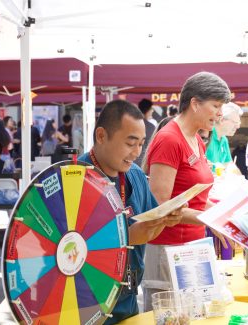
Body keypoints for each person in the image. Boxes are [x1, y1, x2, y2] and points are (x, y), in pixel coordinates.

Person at [78, 99, 183, 324]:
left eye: (141, 143)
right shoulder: (73, 179)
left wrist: (164, 220)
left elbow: (150, 228)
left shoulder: (134, 175)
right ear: (101, 136)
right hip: (85, 305)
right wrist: (129, 237)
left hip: (128, 300)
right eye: (130, 143)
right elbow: (68, 249)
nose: (137, 152)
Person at [142, 71, 231, 311]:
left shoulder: (196, 140)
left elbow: (198, 200)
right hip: (167, 250)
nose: (220, 113)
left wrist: (226, 214)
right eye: (216, 105)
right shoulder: (170, 139)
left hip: (191, 249)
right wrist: (211, 219)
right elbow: (161, 207)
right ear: (195, 103)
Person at [206, 102, 242, 168]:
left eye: (238, 123)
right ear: (222, 120)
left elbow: (229, 165)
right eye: (235, 123)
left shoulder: (224, 139)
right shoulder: (205, 136)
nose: (238, 127)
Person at [135, 98, 156, 167]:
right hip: (143, 164)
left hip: (131, 161)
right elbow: (152, 147)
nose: (152, 111)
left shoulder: (132, 124)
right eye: (151, 109)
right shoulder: (150, 127)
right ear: (148, 110)